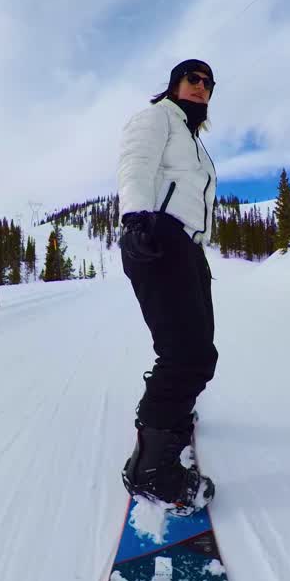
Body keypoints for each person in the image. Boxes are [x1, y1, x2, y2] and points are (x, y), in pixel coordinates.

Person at [116, 59, 219, 515]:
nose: (201, 88)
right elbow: (135, 164)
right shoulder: (157, 117)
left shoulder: (194, 140)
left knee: (200, 349)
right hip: (158, 235)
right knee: (185, 355)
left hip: (188, 247)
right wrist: (136, 218)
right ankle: (151, 473)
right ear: (175, 84)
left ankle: (171, 418)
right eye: (192, 79)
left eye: (208, 84)